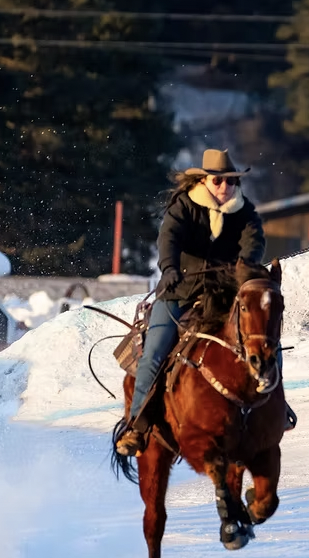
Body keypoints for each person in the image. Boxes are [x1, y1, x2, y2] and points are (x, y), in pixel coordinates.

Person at [115, 149, 295, 456]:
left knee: (266, 342)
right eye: (218, 180)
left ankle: (278, 404)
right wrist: (169, 269)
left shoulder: (246, 212)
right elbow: (168, 240)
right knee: (155, 352)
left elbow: (254, 243)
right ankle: (136, 426)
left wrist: (245, 266)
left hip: (226, 295)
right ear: (205, 180)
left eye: (231, 181)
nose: (225, 187)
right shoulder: (183, 206)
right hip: (179, 292)